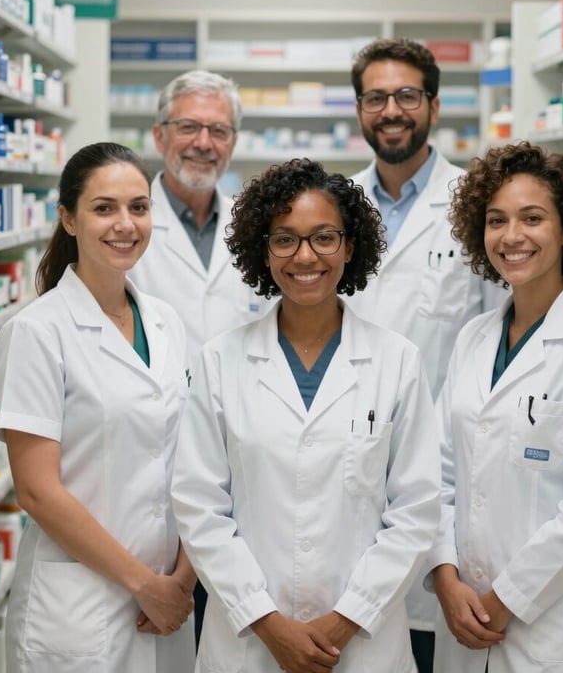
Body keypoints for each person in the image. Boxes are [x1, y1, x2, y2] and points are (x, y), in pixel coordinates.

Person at [171, 158, 441, 673]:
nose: (305, 256)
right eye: (285, 239)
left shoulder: (397, 361)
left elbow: (415, 510)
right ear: (263, 250)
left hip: (363, 643)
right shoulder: (220, 360)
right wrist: (266, 620)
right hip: (250, 642)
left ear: (350, 246)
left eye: (324, 237)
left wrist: (346, 618)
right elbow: (199, 506)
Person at [425, 142, 563, 673]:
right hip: (461, 618)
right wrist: (446, 578)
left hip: (552, 634)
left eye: (532, 218)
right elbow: (437, 474)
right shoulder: (473, 339)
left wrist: (500, 604)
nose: (512, 236)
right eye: (496, 220)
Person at [0, 142, 196, 673]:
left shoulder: (167, 324)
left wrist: (182, 579)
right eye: (104, 208)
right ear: (68, 218)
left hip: (169, 598)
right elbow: (37, 492)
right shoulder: (37, 332)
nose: (124, 224)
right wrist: (146, 585)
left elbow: (193, 460)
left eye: (138, 206)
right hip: (82, 607)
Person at [346, 37, 505, 667]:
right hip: (350, 455)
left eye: (407, 95)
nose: (392, 110)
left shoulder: (478, 207)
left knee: (435, 638)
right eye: (377, 97)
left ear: (433, 107)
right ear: (359, 110)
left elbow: (499, 332)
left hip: (446, 463)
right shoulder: (337, 206)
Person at [128, 69, 268, 367]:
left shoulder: (257, 228)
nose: (204, 143)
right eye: (188, 127)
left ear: (232, 142)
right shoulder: (124, 229)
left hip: (241, 406)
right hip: (157, 408)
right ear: (159, 137)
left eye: (219, 130)